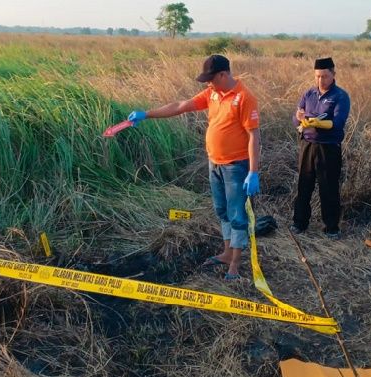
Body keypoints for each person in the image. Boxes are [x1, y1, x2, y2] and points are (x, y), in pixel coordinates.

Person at [127, 54, 261, 280]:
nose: (209, 83)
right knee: (222, 211)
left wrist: (253, 171)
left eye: (212, 79)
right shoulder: (213, 93)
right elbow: (181, 106)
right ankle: (227, 252)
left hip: (236, 167)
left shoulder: (244, 97)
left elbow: (253, 136)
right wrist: (147, 114)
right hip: (215, 164)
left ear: (223, 74)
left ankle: (235, 265)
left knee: (237, 214)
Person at [290, 57, 351, 240]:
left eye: (324, 76)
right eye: (317, 76)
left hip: (328, 148)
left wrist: (319, 123)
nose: (320, 80)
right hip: (307, 145)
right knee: (304, 185)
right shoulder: (308, 94)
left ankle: (331, 227)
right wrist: (299, 117)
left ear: (333, 75)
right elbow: (295, 119)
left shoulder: (340, 96)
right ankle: (299, 223)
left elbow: (338, 123)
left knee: (328, 187)